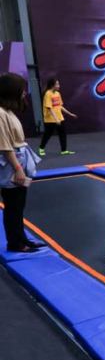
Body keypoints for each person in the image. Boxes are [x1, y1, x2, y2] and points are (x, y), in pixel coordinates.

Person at [0, 73, 44, 253]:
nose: (24, 92)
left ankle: (22, 238)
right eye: (22, 89)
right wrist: (18, 169)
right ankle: (15, 243)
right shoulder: (1, 113)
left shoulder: (8, 111)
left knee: (18, 206)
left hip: (18, 159)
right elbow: (5, 146)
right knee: (13, 206)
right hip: (12, 163)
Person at [38, 78, 77, 156]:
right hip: (50, 119)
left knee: (62, 133)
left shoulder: (58, 94)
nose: (59, 86)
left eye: (58, 84)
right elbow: (49, 108)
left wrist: (70, 114)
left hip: (60, 118)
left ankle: (64, 150)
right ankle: (41, 148)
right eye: (57, 84)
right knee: (48, 134)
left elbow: (60, 106)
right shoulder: (48, 94)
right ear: (52, 85)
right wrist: (56, 119)